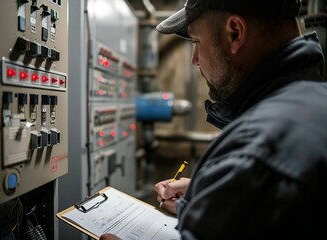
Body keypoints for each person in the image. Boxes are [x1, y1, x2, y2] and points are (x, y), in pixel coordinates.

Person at [101, 0, 327, 239]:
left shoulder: (255, 150)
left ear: (235, 33)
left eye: (197, 42)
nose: (195, 60)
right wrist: (212, 195)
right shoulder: (315, 102)